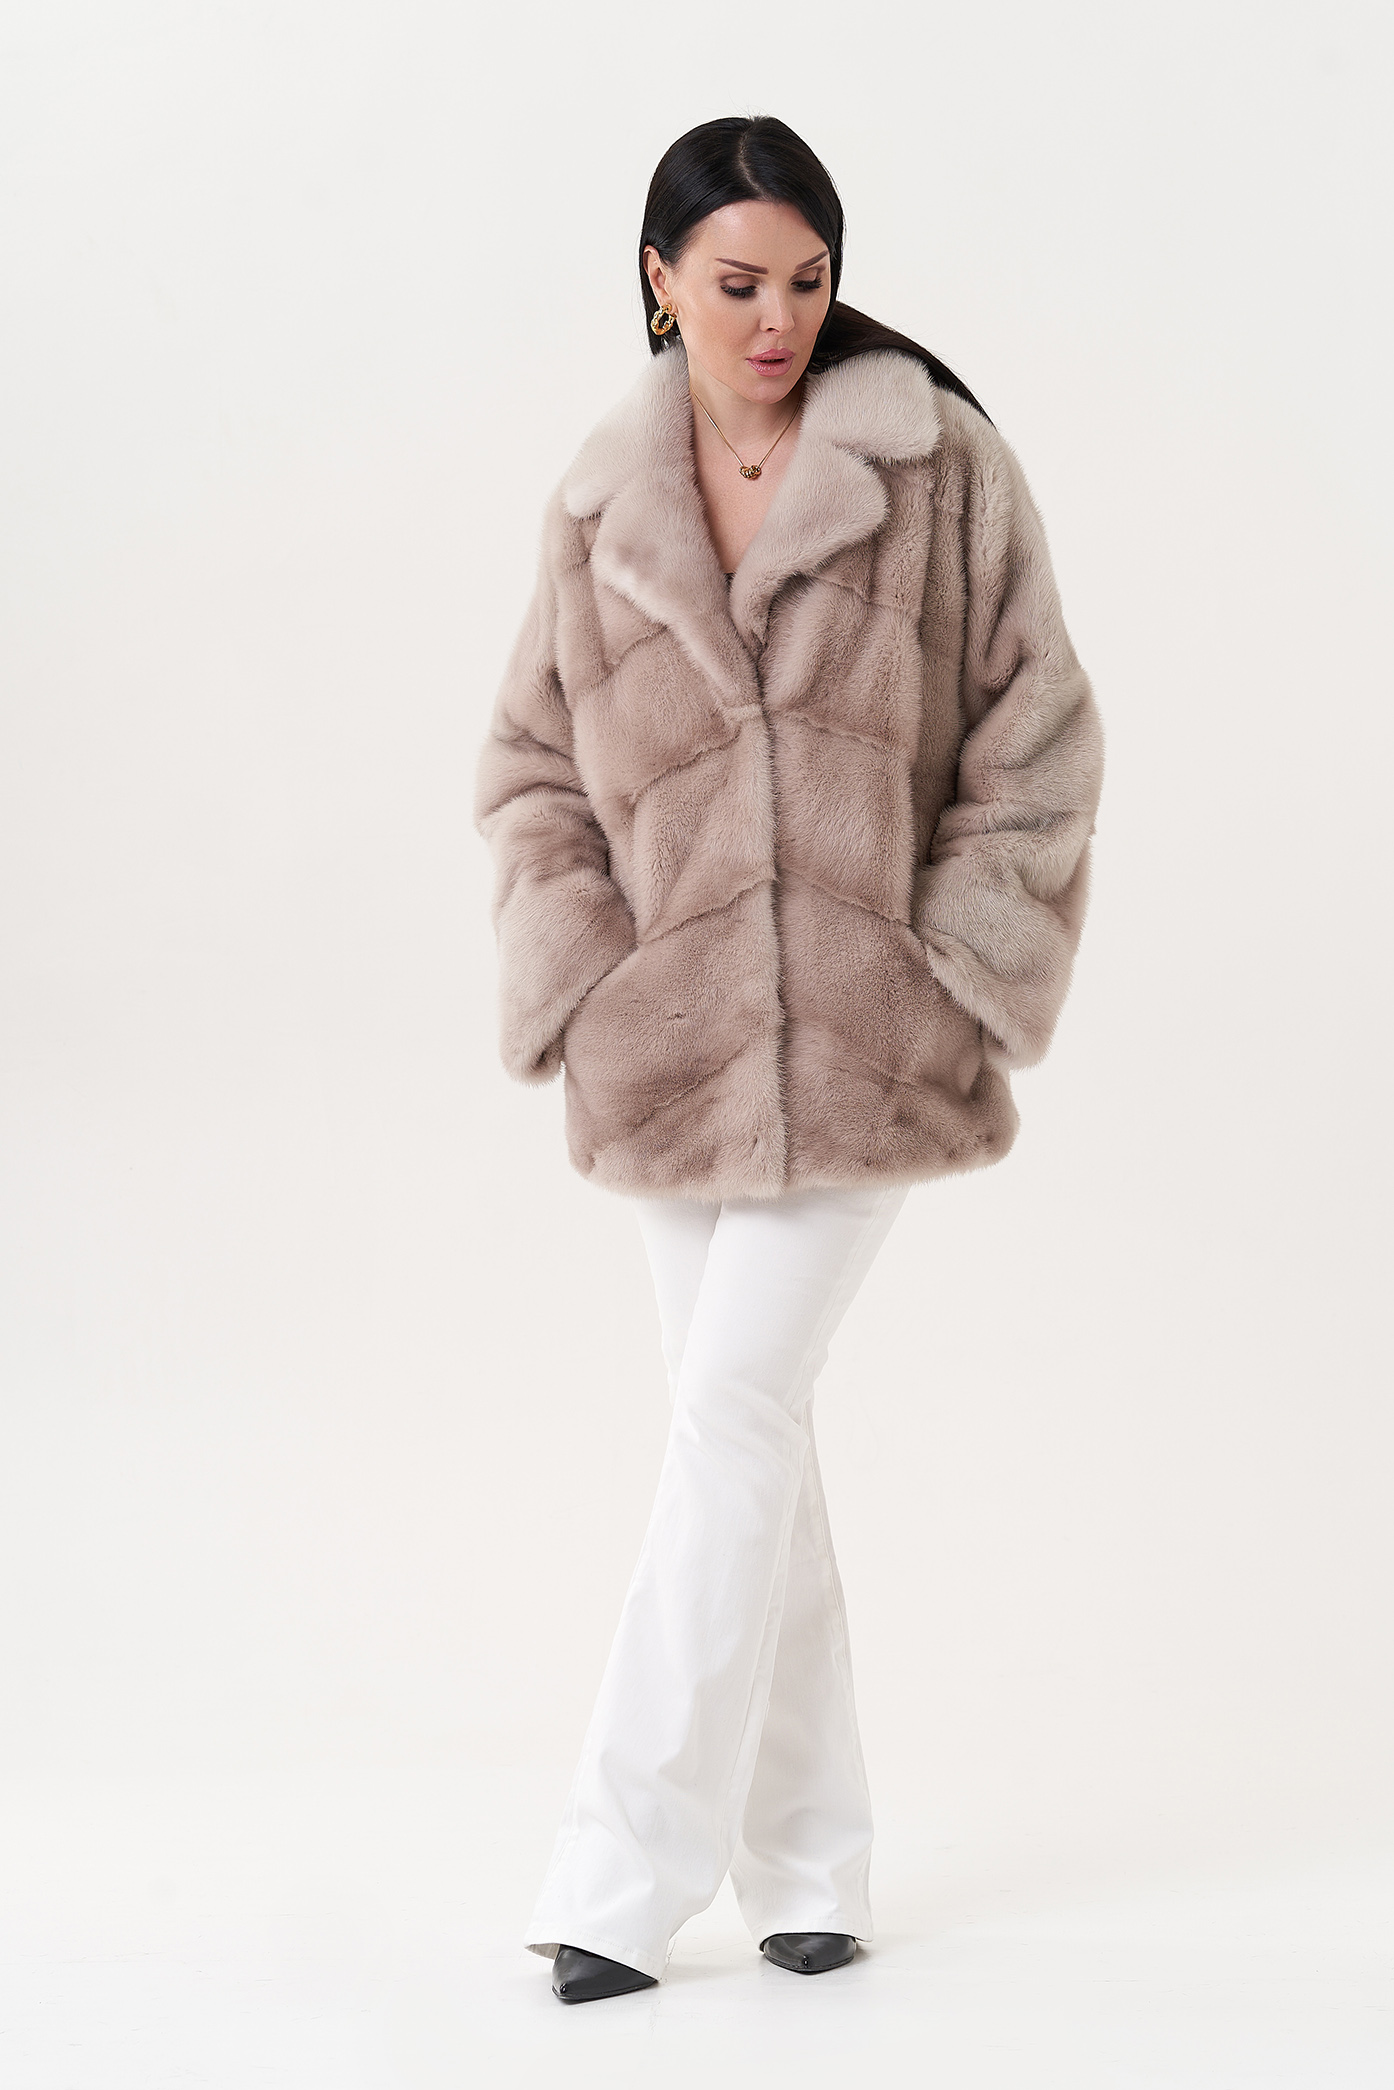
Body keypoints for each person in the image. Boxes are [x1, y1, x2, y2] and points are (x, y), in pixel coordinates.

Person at [474, 114, 1104, 2004]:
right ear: (657, 276)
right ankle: (810, 1862)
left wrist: (950, 971)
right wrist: (587, 981)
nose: (776, 318)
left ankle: (611, 1875)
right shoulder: (600, 501)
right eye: (737, 282)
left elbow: (1038, 735)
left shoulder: (935, 466)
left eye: (807, 281)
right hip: (668, 1060)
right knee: (753, 1437)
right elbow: (530, 768)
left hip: (866, 1050)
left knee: (729, 1418)